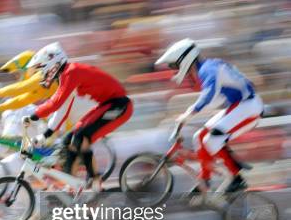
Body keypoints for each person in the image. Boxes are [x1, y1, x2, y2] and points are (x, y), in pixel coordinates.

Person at [155, 38, 263, 192]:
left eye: (175, 65)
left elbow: (208, 96)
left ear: (184, 59)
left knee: (211, 139)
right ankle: (205, 181)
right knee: (199, 137)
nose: (176, 69)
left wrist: (188, 114)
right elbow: (215, 98)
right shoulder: (209, 66)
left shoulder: (207, 69)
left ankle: (236, 178)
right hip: (242, 106)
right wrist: (189, 114)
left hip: (248, 107)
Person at [22, 42, 133, 190]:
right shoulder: (67, 75)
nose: (41, 74)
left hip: (119, 105)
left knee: (80, 137)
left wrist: (34, 115)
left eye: (42, 69)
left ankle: (95, 183)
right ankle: (72, 186)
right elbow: (62, 109)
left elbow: (55, 103)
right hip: (108, 105)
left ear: (53, 63)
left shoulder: (71, 72)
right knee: (68, 140)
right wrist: (47, 134)